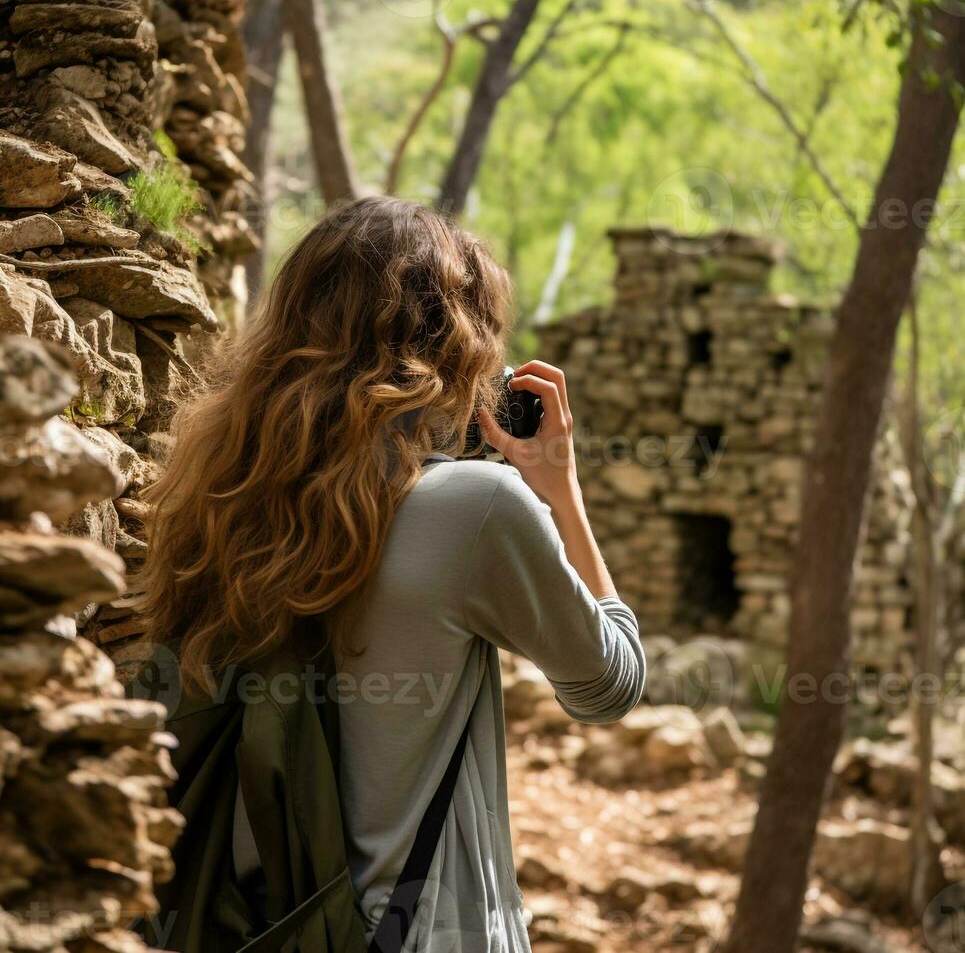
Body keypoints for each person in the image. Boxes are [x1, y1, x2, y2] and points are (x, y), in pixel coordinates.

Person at [139, 196, 645, 952]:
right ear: (459, 351)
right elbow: (608, 685)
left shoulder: (215, 496)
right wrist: (559, 490)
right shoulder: (473, 508)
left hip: (250, 927)